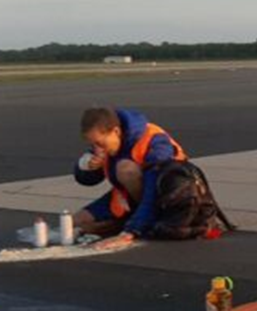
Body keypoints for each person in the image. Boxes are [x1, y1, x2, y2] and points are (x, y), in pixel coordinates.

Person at [73, 106, 188, 249]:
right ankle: (125, 221)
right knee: (75, 222)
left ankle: (142, 222)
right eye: (92, 145)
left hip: (168, 197)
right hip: (126, 196)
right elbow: (87, 181)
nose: (97, 149)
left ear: (116, 131)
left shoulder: (155, 141)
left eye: (99, 144)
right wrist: (87, 167)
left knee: (125, 169)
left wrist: (132, 231)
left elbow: (152, 191)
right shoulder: (107, 141)